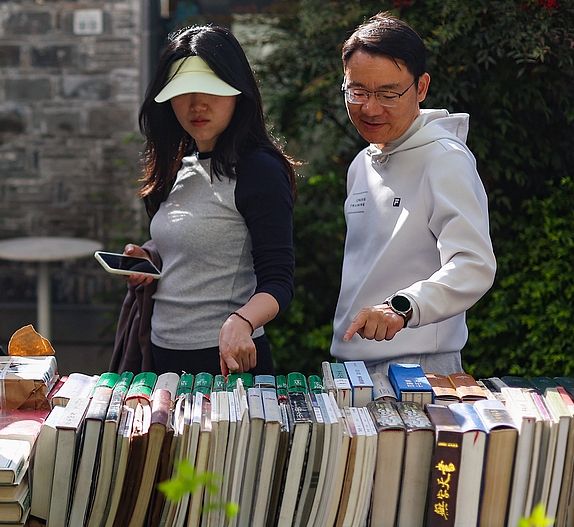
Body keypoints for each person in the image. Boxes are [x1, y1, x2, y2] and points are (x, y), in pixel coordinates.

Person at [114, 25, 296, 377]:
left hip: (225, 360)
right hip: (160, 357)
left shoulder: (259, 168)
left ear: (237, 93)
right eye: (183, 92)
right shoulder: (179, 164)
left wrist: (242, 322)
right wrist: (150, 258)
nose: (197, 104)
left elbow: (279, 282)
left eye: (211, 89)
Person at [331, 13, 495, 376]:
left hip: (418, 368)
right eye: (357, 92)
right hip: (351, 366)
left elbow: (474, 264)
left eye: (388, 94)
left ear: (421, 88)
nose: (370, 108)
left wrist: (403, 307)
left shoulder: (444, 159)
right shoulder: (361, 163)